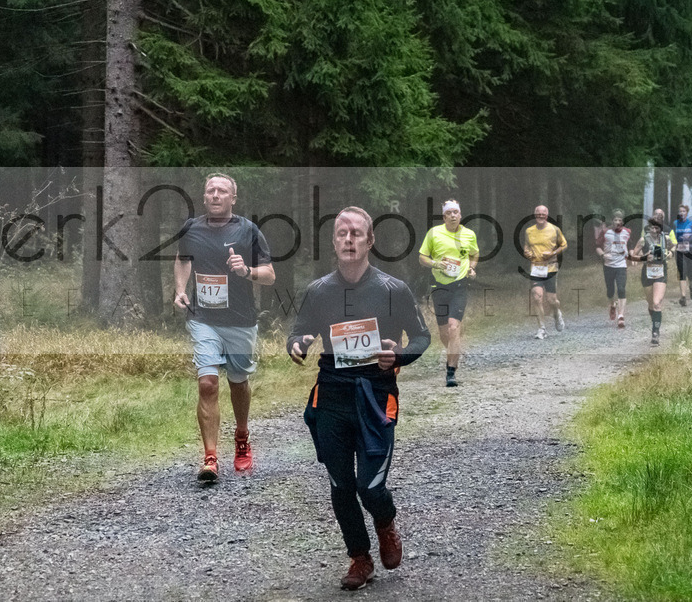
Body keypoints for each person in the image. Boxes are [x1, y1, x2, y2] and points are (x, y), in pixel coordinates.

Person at [288, 207, 431, 590]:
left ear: (370, 241)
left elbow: (421, 337)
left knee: (370, 487)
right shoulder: (319, 291)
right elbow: (299, 332)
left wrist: (398, 355)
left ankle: (385, 523)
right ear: (334, 242)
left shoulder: (392, 289)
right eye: (341, 233)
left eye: (356, 233)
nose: (348, 239)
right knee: (341, 485)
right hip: (331, 399)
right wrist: (297, 344)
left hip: (374, 399)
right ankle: (359, 558)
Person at [174, 173, 276, 482]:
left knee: (238, 382)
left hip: (240, 321)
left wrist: (245, 271)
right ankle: (210, 458)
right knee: (207, 383)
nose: (216, 195)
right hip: (203, 318)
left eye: (223, 191)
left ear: (233, 198)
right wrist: (180, 289)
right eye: (211, 190)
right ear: (204, 197)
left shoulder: (249, 231)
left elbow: (270, 275)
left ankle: (242, 436)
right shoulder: (191, 228)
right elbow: (182, 259)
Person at [419, 199, 479, 387]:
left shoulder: (469, 235)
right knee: (444, 333)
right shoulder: (434, 234)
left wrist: (471, 268)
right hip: (439, 287)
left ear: (460, 215)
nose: (453, 215)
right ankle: (455, 351)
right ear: (444, 217)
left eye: (456, 212)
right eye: (449, 213)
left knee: (454, 327)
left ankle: (450, 372)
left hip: (459, 286)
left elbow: (474, 254)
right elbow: (422, 257)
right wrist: (436, 264)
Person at [522, 204, 567, 339]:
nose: (540, 216)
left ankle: (557, 313)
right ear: (535, 215)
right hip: (536, 268)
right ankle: (542, 328)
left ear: (547, 215)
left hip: (551, 268)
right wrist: (527, 252)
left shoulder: (554, 229)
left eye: (543, 214)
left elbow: (564, 245)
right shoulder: (529, 231)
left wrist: (553, 253)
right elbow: (527, 246)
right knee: (537, 297)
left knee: (552, 300)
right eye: (538, 214)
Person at [631, 217, 674, 346]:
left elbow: (674, 247)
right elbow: (633, 255)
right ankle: (655, 320)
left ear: (660, 228)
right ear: (648, 228)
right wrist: (644, 257)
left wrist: (670, 254)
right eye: (652, 228)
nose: (654, 230)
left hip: (661, 272)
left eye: (657, 228)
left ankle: (655, 332)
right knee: (650, 304)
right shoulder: (644, 240)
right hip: (647, 273)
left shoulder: (665, 239)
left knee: (657, 303)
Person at [596, 209, 632, 328]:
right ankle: (612, 305)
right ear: (612, 221)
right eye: (615, 220)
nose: (617, 222)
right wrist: (602, 254)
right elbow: (597, 246)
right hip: (608, 265)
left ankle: (621, 316)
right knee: (610, 290)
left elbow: (630, 245)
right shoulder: (605, 232)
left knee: (621, 289)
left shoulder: (627, 232)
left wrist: (632, 256)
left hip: (621, 265)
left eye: (620, 220)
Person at [672, 205, 692, 306]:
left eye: (684, 211)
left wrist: (691, 236)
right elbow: (672, 235)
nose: (682, 213)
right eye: (680, 211)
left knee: (690, 273)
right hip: (680, 250)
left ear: (687, 213)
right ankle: (683, 297)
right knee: (682, 272)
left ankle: (691, 287)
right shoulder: (675, 223)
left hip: (691, 250)